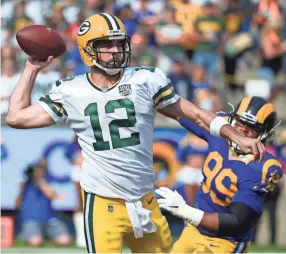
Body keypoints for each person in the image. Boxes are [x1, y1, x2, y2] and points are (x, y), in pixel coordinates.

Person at [6, 13, 265, 253]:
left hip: (145, 201)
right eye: (106, 44)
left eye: (119, 43)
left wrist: (235, 134)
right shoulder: (70, 90)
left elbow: (195, 113)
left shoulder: (146, 79)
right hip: (103, 205)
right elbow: (16, 117)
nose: (116, 50)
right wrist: (32, 67)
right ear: (87, 50)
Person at [156, 96, 283, 253]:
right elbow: (185, 114)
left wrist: (185, 211)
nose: (242, 129)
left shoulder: (261, 166)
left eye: (251, 127)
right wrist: (152, 100)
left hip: (225, 242)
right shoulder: (223, 130)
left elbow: (237, 222)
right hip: (193, 231)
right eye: (240, 122)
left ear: (264, 133)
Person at [15, 159, 71, 247]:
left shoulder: (47, 182)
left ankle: (47, 238)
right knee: (35, 242)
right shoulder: (25, 185)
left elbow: (51, 195)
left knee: (65, 240)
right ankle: (37, 237)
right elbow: (17, 205)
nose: (41, 170)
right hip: (31, 220)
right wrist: (21, 190)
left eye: (43, 168)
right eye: (39, 168)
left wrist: (39, 180)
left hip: (49, 220)